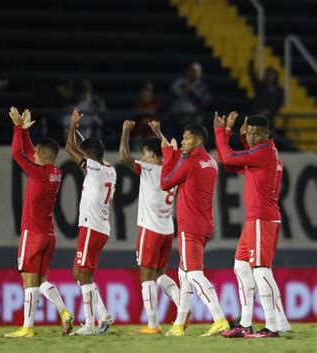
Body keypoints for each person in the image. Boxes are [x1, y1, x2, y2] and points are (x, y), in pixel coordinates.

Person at [214, 112, 291, 338]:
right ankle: (245, 323)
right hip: (257, 218)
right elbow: (232, 164)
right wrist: (241, 139)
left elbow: (228, 159)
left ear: (267, 135)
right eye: (251, 133)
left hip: (261, 218)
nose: (254, 137)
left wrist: (221, 132)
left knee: (260, 270)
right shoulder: (266, 152)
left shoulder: (264, 151)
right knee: (241, 266)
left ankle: (271, 326)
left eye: (258, 134)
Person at [149, 121, 229, 337]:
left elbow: (166, 182)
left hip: (190, 226)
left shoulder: (191, 161)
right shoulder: (210, 161)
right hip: (204, 225)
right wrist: (165, 142)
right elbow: (183, 171)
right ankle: (178, 325)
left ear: (199, 140)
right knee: (184, 275)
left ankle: (219, 319)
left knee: (193, 275)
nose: (183, 142)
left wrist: (167, 153)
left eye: (186, 138)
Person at [4, 107, 74, 338]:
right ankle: (63, 312)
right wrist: (24, 132)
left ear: (42, 156)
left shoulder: (39, 173)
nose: (32, 155)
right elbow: (28, 151)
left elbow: (17, 154)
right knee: (42, 280)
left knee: (29, 280)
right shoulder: (54, 171)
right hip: (49, 235)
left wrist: (16, 128)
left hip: (32, 233)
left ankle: (27, 328)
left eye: (36, 154)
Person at [119, 120, 183, 334]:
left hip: (150, 229)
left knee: (146, 277)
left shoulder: (149, 169)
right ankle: (183, 308)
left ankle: (153, 325)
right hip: (167, 230)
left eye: (145, 153)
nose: (143, 156)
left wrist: (125, 132)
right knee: (160, 275)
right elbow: (169, 152)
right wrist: (158, 132)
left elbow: (123, 158)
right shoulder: (173, 170)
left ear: (153, 157)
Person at [66, 108, 116, 336]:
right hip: (101, 228)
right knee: (78, 272)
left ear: (90, 156)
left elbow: (69, 149)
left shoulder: (94, 168)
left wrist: (72, 127)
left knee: (83, 275)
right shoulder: (109, 169)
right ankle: (103, 313)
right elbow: (88, 152)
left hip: (91, 227)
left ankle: (88, 324)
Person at [170, 62, 211, 129]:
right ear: (187, 71)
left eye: (196, 71)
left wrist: (195, 93)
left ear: (200, 73)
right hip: (178, 117)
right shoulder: (179, 83)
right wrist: (186, 89)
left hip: (196, 119)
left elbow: (206, 102)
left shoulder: (203, 86)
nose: (194, 73)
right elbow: (174, 94)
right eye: (191, 70)